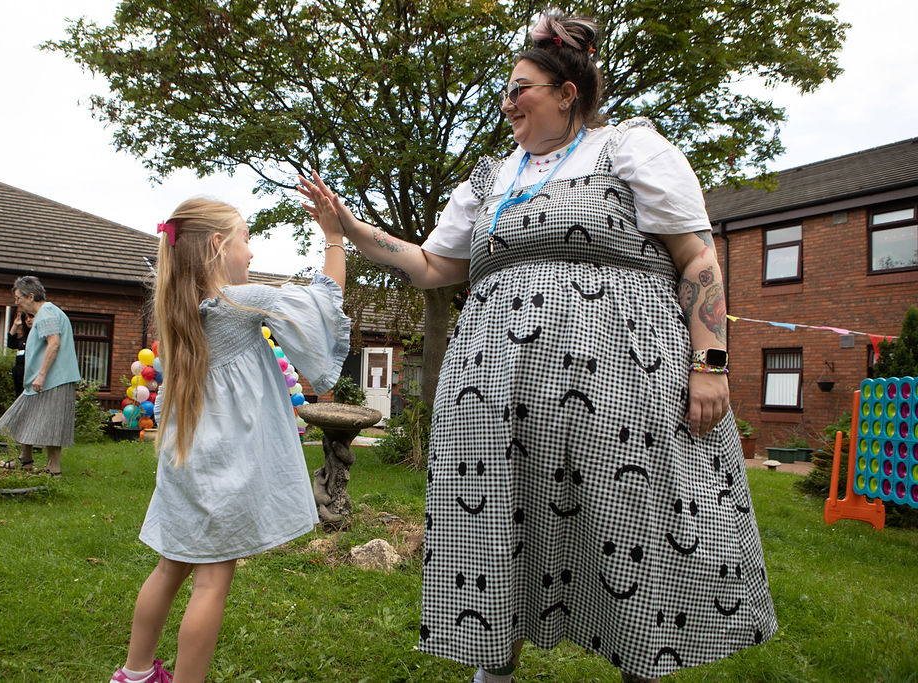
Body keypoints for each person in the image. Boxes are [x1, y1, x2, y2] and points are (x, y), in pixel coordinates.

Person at [298, 9, 776, 682]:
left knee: (631, 523)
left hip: (625, 389)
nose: (507, 101)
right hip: (496, 393)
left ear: (566, 93)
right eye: (506, 89)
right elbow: (434, 265)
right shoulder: (492, 180)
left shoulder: (630, 150)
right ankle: (493, 669)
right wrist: (349, 226)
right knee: (496, 525)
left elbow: (699, 261)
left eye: (521, 87)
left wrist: (711, 365)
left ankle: (643, 658)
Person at [109, 198, 349, 683]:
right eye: (246, 239)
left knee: (169, 568)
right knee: (213, 581)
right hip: (225, 467)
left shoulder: (178, 311)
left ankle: (133, 674)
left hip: (186, 465)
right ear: (219, 245)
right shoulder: (241, 303)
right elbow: (323, 305)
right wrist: (334, 238)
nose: (252, 254)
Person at [0, 276, 81, 476]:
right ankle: (26, 459)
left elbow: (54, 343)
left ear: (31, 296)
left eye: (18, 298)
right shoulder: (45, 313)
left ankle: (53, 471)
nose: (17, 303)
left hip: (53, 380)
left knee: (52, 424)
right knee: (25, 417)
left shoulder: (46, 313)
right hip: (42, 381)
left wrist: (41, 376)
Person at [6, 311, 34, 396]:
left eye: (31, 317)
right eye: (26, 319)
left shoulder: (39, 336)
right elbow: (11, 344)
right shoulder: (24, 337)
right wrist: (15, 325)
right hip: (19, 375)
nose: (28, 320)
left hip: (31, 374)